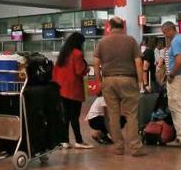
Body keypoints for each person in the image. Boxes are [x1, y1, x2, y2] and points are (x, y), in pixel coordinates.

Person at [92, 17, 145, 158]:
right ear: (123, 26)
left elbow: (96, 63)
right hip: (128, 79)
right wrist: (141, 81)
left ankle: (119, 147)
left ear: (110, 26)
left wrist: (99, 81)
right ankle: (135, 148)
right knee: (131, 114)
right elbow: (138, 62)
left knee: (113, 115)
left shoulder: (102, 42)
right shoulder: (131, 41)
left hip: (109, 80)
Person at [52, 32, 91, 150]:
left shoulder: (63, 54)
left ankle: (64, 141)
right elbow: (79, 71)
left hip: (61, 89)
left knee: (66, 116)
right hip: (73, 90)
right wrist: (87, 69)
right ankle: (79, 141)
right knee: (74, 116)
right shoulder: (77, 54)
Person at [160, 22, 181, 147]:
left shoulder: (175, 42)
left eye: (165, 33)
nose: (165, 36)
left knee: (177, 108)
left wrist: (171, 75)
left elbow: (179, 61)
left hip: (178, 79)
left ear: (170, 30)